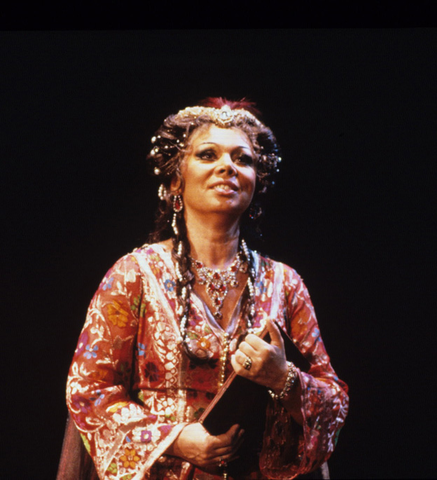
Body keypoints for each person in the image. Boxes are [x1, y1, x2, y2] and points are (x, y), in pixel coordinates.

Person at [60, 97, 349, 480]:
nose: (227, 167)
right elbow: (88, 390)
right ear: (176, 179)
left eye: (242, 160)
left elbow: (334, 404)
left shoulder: (286, 284)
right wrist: (177, 439)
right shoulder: (133, 275)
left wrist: (285, 378)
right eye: (208, 155)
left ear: (255, 181)